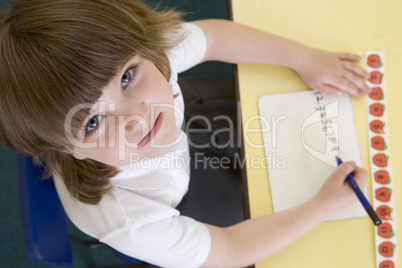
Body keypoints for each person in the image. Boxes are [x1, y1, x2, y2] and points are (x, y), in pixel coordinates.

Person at [0, 0, 369, 267]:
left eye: (127, 78)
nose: (136, 118)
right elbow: (232, 249)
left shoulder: (141, 52)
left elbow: (212, 36)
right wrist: (321, 206)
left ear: (143, 47)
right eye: (93, 122)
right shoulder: (131, 220)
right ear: (66, 150)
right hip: (178, 200)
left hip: (190, 123)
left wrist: (303, 58)